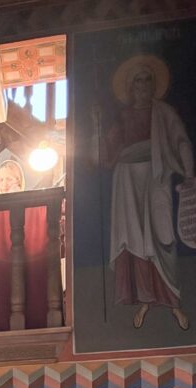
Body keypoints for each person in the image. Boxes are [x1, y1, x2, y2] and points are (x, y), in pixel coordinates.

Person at [100, 55, 194, 331]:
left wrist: (189, 173)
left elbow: (181, 141)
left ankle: (173, 302)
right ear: (131, 87)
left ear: (154, 84)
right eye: (138, 80)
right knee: (135, 240)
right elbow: (106, 154)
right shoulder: (123, 117)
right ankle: (145, 299)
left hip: (156, 176)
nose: (143, 85)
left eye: (147, 79)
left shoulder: (164, 112)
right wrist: (95, 130)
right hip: (127, 180)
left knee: (163, 237)